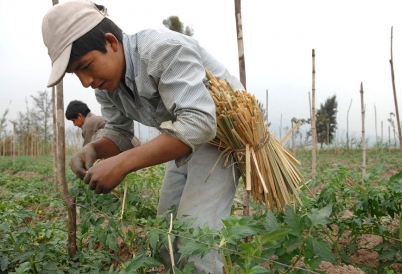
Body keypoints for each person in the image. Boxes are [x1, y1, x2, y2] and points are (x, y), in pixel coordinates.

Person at [42, 1, 244, 272]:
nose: (85, 81)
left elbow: (199, 123)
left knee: (196, 237)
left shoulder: (162, 50)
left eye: (85, 66)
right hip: (179, 142)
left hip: (221, 139)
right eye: (76, 73)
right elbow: (119, 132)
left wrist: (123, 163)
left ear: (111, 42)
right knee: (166, 231)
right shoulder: (107, 86)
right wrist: (92, 150)